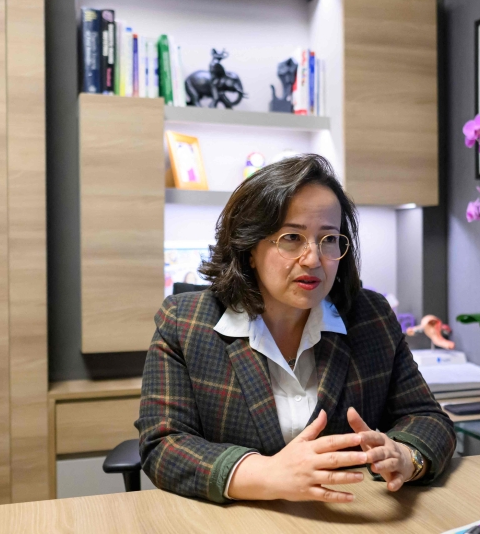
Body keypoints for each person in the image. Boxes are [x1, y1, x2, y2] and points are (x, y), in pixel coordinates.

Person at [137, 154, 456, 503]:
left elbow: (428, 418)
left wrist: (407, 456)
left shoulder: (371, 316)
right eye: (292, 238)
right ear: (249, 249)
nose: (313, 259)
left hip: (349, 519)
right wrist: (264, 473)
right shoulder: (185, 322)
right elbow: (162, 445)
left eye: (329, 239)